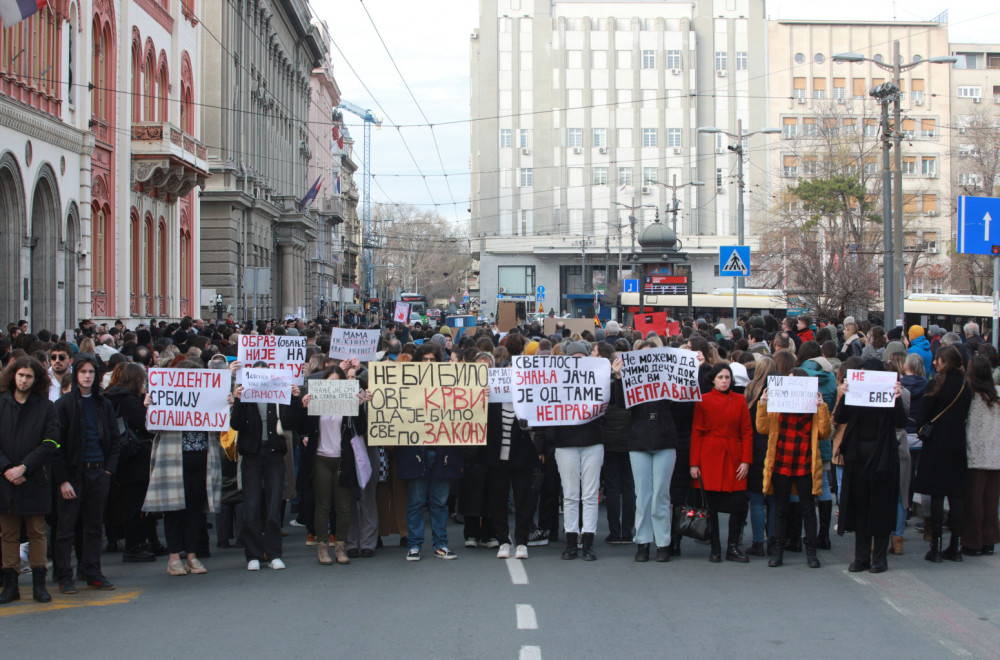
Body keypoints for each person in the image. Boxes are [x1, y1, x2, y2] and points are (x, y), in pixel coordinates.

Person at [143, 359, 229, 575]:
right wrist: (150, 407)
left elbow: (221, 426)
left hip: (201, 461)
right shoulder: (162, 396)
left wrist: (225, 403)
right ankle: (174, 558)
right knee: (174, 511)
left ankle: (191, 555)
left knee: (195, 511)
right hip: (174, 461)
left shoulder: (208, 398)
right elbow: (151, 429)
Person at [52, 353, 122, 593]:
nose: (87, 376)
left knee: (94, 527)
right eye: (83, 372)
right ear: (75, 374)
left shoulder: (104, 404)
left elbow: (115, 440)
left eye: (91, 372)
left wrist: (108, 471)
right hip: (73, 475)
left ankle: (92, 571)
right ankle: (64, 575)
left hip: (98, 473)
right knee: (66, 529)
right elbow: (56, 446)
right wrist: (63, 480)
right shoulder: (63, 405)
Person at [230, 363, 303, 571]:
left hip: (273, 454)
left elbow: (290, 423)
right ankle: (253, 553)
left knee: (273, 507)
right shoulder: (246, 396)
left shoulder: (277, 396)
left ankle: (273, 553)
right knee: (251, 506)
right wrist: (239, 400)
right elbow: (236, 424)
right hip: (252, 455)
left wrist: (294, 398)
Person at [835, 361, 905, 573]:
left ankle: (879, 558)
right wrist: (844, 394)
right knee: (861, 509)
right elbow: (839, 417)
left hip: (883, 458)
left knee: (881, 508)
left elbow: (900, 421)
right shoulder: (854, 394)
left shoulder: (890, 394)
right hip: (858, 458)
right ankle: (862, 557)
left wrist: (897, 398)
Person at [756, 374, 832, 568]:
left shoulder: (814, 407)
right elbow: (762, 428)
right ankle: (778, 552)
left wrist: (822, 407)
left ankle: (811, 553)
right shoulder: (777, 405)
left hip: (805, 462)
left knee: (808, 509)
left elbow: (825, 433)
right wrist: (763, 403)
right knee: (781, 508)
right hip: (782, 461)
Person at [540, 340, 606, 561]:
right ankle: (570, 541)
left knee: (589, 495)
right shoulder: (556, 380)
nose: (578, 362)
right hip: (565, 443)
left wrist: (613, 378)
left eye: (581, 358)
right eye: (574, 358)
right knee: (569, 495)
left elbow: (611, 402)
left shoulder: (597, 377)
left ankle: (587, 542)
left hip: (592, 441)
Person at [0, 357, 59, 604]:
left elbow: (51, 442)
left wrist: (24, 467)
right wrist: (8, 469)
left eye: (29, 376)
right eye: (21, 375)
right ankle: (11, 585)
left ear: (36, 380)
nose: (24, 380)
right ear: (13, 375)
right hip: (5, 480)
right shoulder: (1, 403)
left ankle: (39, 584)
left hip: (34, 479)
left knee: (36, 532)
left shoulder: (45, 407)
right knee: (8, 534)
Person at [613, 343, 679, 563]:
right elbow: (621, 404)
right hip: (640, 438)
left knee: (661, 493)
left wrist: (695, 369)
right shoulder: (631, 378)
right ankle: (642, 541)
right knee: (643, 495)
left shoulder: (668, 378)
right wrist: (620, 377)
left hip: (664, 438)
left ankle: (663, 543)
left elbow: (684, 398)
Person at [298, 365, 369, 565]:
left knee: (344, 506)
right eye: (330, 383)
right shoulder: (314, 402)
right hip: (320, 457)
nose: (334, 387)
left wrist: (359, 408)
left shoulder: (348, 402)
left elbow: (361, 429)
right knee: (322, 505)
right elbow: (301, 428)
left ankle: (340, 546)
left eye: (338, 383)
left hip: (343, 458)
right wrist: (303, 408)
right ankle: (322, 547)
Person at [398, 345, 462, 561]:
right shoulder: (406, 386)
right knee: (416, 501)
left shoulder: (448, 383)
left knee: (439, 502)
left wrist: (479, 394)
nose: (428, 364)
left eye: (432, 360)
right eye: (424, 360)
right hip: (417, 452)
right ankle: (414, 544)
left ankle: (440, 544)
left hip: (442, 451)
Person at [914, 345, 972, 563]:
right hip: (957, 445)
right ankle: (955, 546)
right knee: (956, 496)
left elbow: (923, 416)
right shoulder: (965, 386)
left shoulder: (936, 383)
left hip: (936, 445)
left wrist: (924, 431)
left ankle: (935, 546)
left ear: (944, 362)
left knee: (937, 495)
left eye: (938, 359)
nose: (935, 362)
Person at [690, 362, 753, 563]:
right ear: (713, 380)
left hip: (734, 456)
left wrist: (746, 460)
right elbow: (697, 432)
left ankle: (733, 546)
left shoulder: (740, 400)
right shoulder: (703, 400)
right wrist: (694, 463)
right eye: (720, 378)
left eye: (727, 377)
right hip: (711, 456)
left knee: (739, 503)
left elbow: (747, 432)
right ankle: (715, 548)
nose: (724, 381)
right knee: (712, 506)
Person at [104, 363, 161, 563]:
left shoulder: (114, 396)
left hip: (125, 458)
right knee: (135, 504)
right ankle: (134, 545)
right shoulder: (129, 401)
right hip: (135, 459)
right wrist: (146, 407)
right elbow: (146, 424)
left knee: (132, 502)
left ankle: (139, 542)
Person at [962, 355, 1000, 556]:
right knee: (991, 502)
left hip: (975, 455)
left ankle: (973, 542)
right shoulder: (997, 396)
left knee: (974, 502)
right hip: (996, 454)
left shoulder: (971, 396)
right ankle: (990, 540)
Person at [744, 356, 778, 556]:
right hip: (776, 446)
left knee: (756, 498)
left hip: (755, 447)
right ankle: (773, 540)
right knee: (773, 498)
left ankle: (758, 542)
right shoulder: (782, 390)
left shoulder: (751, 389)